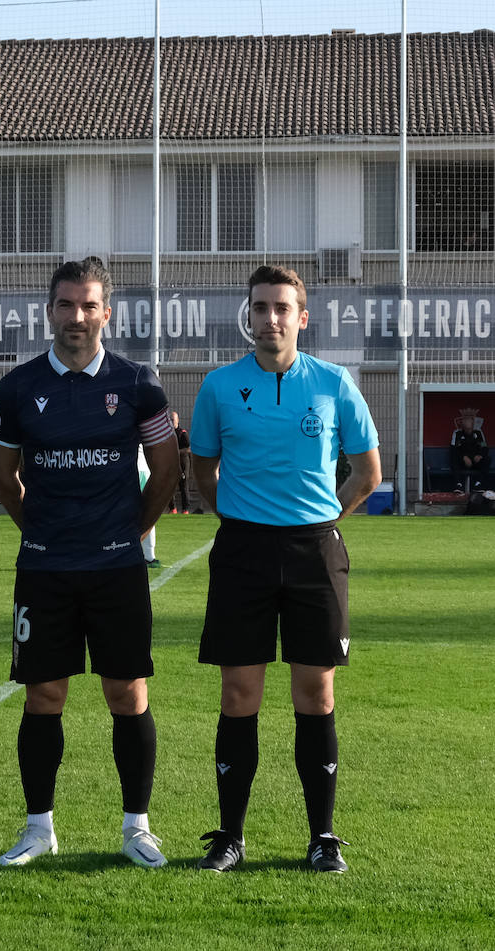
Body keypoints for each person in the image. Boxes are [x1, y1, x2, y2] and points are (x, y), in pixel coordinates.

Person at [0, 256, 179, 870]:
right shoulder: (18, 387)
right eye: (66, 304)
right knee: (43, 695)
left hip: (116, 569)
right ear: (49, 311)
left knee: (127, 693)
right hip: (45, 569)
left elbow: (167, 470)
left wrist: (132, 531)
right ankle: (38, 828)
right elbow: (1, 474)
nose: (77, 316)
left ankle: (137, 828)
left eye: (89, 305)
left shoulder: (139, 383)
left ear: (106, 313)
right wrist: (38, 531)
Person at [191, 265, 380, 874]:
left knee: (316, 692)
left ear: (302, 317)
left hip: (313, 553)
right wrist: (237, 517)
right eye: (260, 307)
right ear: (248, 315)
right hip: (243, 552)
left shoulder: (334, 382)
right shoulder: (219, 386)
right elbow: (202, 471)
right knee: (238, 692)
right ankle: (230, 836)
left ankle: (322, 837)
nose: (270, 318)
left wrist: (325, 520)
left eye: (281, 308)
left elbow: (367, 472)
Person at [450, 408, 488, 490]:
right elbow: (453, 450)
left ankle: (479, 484)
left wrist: (480, 455)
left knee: (487, 459)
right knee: (454, 459)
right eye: (466, 420)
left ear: (473, 422)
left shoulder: (478, 433)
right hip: (462, 461)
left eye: (470, 420)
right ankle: (458, 485)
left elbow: (484, 447)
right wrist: (463, 457)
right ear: (462, 423)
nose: (468, 422)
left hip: (475, 461)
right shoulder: (457, 433)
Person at [171, 411, 192, 512]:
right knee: (170, 486)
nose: (171, 422)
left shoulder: (182, 433)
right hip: (171, 463)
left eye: (173, 420)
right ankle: (172, 508)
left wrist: (177, 452)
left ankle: (185, 509)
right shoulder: (168, 434)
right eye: (170, 420)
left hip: (183, 462)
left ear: (177, 420)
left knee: (183, 485)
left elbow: (188, 449)